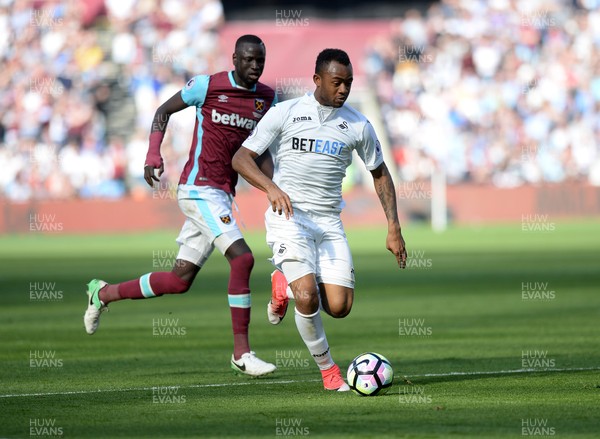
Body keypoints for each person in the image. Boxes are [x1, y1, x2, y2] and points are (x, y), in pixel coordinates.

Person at [83, 35, 278, 377]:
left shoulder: (266, 98)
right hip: (197, 188)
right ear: (234, 58)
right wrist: (153, 153)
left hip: (222, 193)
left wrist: (273, 187)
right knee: (243, 258)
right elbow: (163, 111)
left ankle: (103, 293)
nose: (255, 66)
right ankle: (241, 353)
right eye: (248, 59)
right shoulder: (207, 85)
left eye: (260, 60)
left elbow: (259, 150)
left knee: (178, 280)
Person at [232, 48, 407, 391]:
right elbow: (242, 158)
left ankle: (283, 285)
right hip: (289, 217)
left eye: (349, 83)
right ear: (317, 80)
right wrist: (270, 188)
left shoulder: (358, 124)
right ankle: (329, 372)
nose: (343, 89)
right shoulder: (286, 112)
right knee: (308, 295)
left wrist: (394, 227)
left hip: (329, 223)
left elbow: (380, 172)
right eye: (337, 82)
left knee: (340, 307)